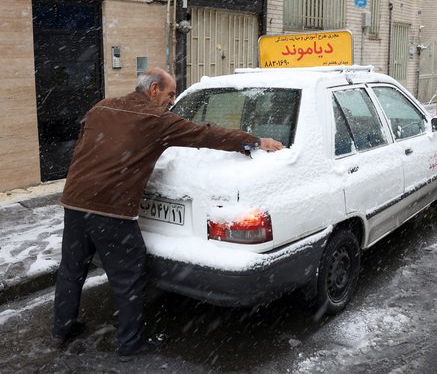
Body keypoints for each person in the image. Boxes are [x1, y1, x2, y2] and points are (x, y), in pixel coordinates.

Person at [52, 67, 283, 360]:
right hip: (110, 209)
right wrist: (252, 140)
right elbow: (204, 134)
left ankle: (62, 329)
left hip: (74, 202)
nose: (171, 101)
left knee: (71, 271)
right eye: (170, 94)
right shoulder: (155, 119)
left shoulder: (102, 106)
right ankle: (131, 342)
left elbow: (88, 147)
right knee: (129, 276)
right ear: (153, 90)